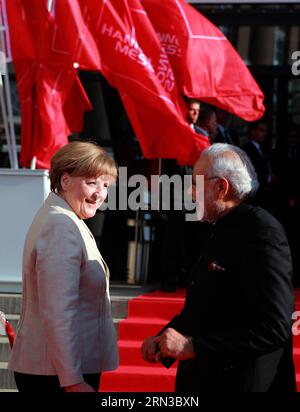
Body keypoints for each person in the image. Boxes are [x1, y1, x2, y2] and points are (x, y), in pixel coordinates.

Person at [142, 143, 296, 392]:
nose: (191, 193)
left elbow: (274, 326)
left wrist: (194, 347)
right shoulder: (217, 229)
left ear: (220, 187)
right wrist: (165, 338)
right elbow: (209, 306)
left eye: (196, 183)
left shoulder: (261, 231)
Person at [8, 141, 119, 392]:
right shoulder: (61, 224)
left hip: (57, 370)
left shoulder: (65, 217)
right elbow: (59, 311)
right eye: (91, 182)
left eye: (105, 185)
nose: (99, 193)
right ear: (65, 180)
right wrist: (73, 381)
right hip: (58, 375)